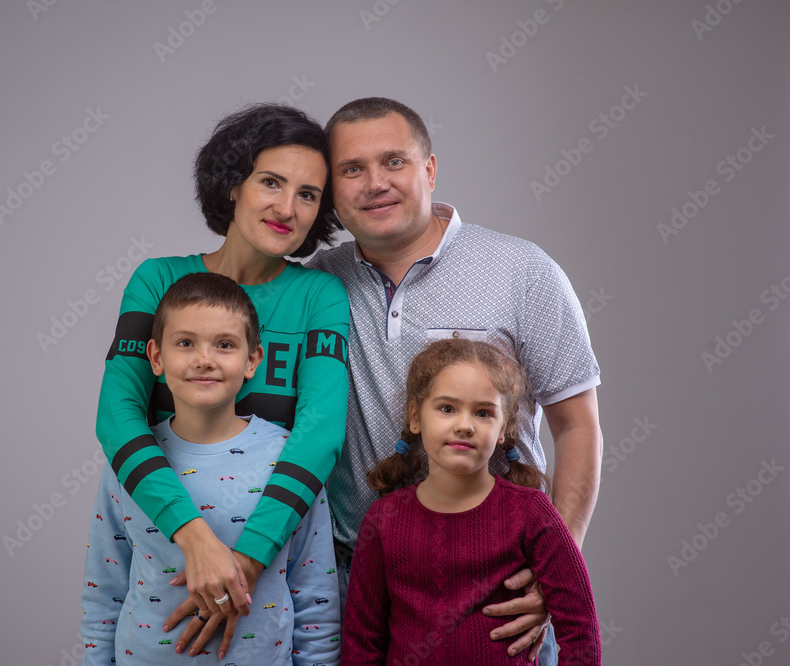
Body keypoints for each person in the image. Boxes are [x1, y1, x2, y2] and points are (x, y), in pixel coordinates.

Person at [307, 97, 602, 663]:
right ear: (332, 188)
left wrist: (552, 571)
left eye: (393, 161)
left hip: (497, 597)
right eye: (352, 169)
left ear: (430, 170)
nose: (375, 184)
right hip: (357, 585)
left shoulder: (522, 271)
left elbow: (577, 425)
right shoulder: (319, 284)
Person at [94, 104, 350, 652]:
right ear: (233, 184)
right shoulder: (158, 280)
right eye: (271, 182)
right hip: (161, 578)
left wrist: (247, 561)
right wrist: (197, 543)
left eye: (308, 194)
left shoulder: (320, 297)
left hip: (271, 585)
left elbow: (321, 433)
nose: (288, 207)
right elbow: (117, 416)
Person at [82, 273, 340, 664]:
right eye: (185, 343)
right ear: (155, 357)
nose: (204, 359)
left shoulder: (291, 462)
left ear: (253, 359)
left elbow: (314, 596)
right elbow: (104, 588)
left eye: (225, 345)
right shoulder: (129, 464)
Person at [341, 339, 600, 665]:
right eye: (447, 408)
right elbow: (361, 645)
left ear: (504, 427)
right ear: (415, 417)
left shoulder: (531, 512)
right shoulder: (384, 520)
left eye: (482, 413)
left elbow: (581, 629)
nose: (464, 425)